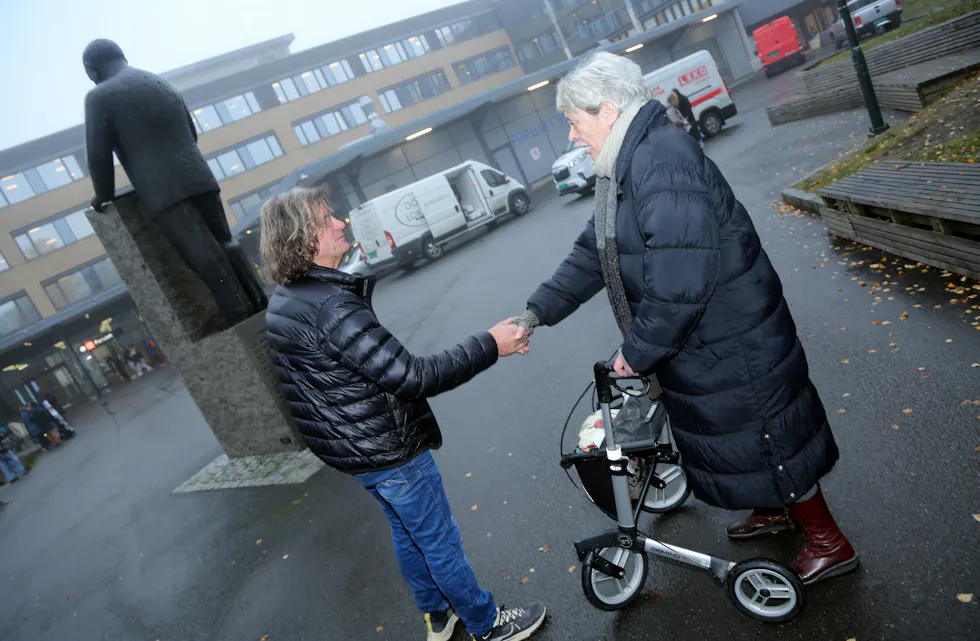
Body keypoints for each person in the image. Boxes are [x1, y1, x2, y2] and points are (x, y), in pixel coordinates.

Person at [512, 52, 856, 586]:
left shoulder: (659, 160)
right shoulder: (627, 164)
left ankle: (829, 542)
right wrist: (537, 311)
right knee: (747, 435)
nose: (572, 136)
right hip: (712, 336)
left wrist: (635, 354)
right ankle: (774, 508)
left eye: (575, 122)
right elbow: (595, 252)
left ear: (607, 111)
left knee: (769, 433)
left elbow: (680, 282)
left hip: (731, 335)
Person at [261, 187, 547, 641]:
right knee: (438, 539)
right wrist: (492, 343)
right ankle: (487, 623)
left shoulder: (285, 299)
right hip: (389, 449)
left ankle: (437, 615)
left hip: (357, 451)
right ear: (302, 238)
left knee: (408, 531)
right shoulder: (330, 306)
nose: (339, 223)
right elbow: (413, 376)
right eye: (325, 219)